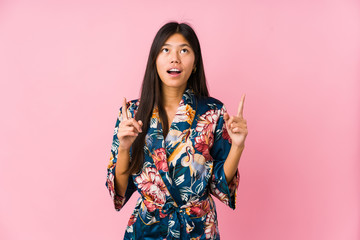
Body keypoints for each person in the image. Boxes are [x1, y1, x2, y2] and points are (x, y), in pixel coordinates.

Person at [105, 21, 248, 240]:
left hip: (198, 229)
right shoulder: (132, 113)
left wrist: (238, 146)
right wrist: (124, 148)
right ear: (154, 60)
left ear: (195, 63)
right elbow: (121, 190)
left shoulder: (213, 112)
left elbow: (219, 184)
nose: (175, 58)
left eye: (184, 50)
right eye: (166, 50)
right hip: (149, 229)